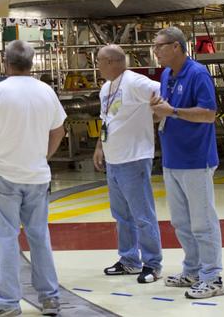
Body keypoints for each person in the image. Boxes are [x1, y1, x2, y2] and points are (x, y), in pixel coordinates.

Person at [0, 39, 67, 317]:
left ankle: (7, 303)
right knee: (39, 237)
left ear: (5, 61)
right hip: (36, 176)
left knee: (6, 238)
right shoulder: (46, 92)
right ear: (32, 62)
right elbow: (59, 131)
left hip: (3, 176)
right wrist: (43, 157)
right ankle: (50, 298)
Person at [149, 25, 224, 300]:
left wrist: (174, 111)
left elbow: (208, 114)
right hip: (173, 158)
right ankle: (192, 269)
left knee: (203, 222)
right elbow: (169, 111)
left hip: (196, 159)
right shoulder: (167, 74)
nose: (155, 51)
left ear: (176, 47)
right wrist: (159, 112)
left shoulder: (197, 74)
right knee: (181, 222)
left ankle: (212, 277)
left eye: (159, 46)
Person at [93, 44, 164, 283]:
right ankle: (129, 260)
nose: (98, 66)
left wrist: (158, 112)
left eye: (100, 62)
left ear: (113, 62)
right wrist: (99, 146)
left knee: (142, 214)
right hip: (114, 159)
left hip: (134, 158)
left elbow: (165, 91)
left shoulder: (135, 82)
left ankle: (152, 263)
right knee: (122, 215)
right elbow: (106, 119)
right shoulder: (106, 88)